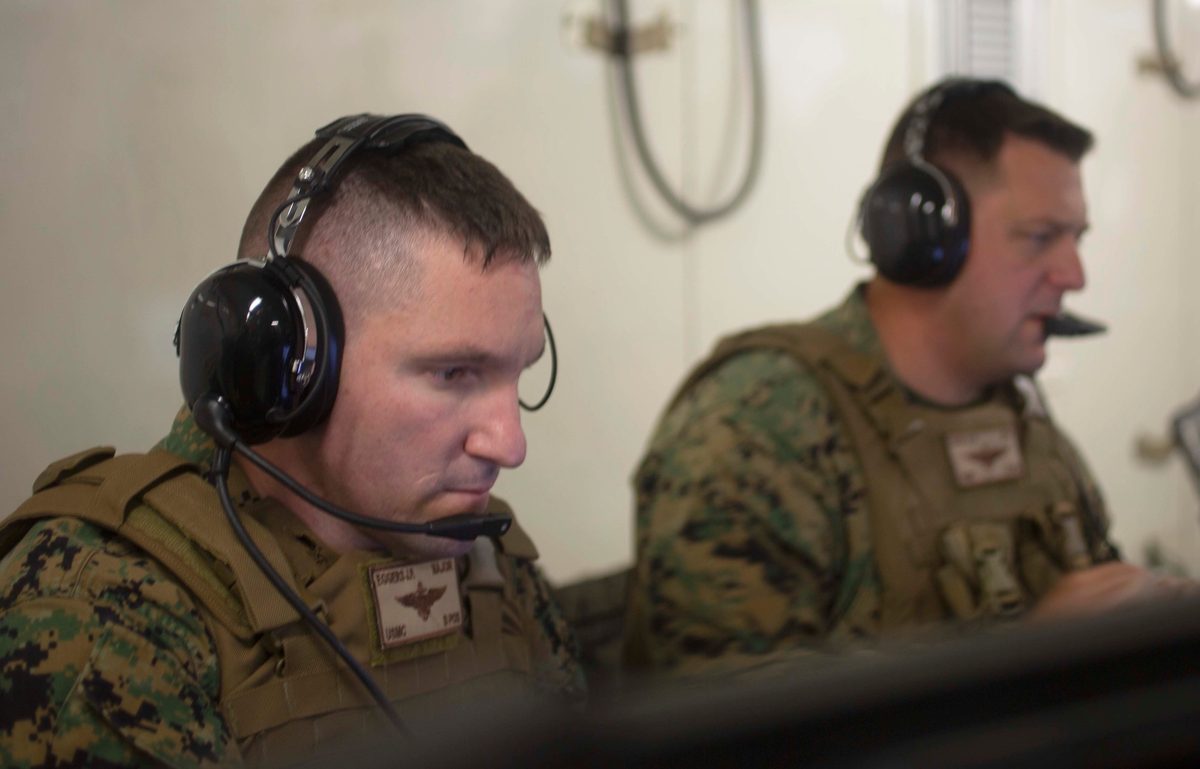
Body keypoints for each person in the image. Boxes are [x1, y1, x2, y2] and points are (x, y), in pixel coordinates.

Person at [0, 114, 584, 768]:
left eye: (518, 372)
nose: (510, 444)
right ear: (292, 363)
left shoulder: (488, 564)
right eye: (453, 373)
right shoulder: (105, 603)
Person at [623, 78, 1196, 677]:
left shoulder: (1019, 417)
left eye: (1076, 238)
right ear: (922, 238)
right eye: (1040, 237)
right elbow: (733, 735)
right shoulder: (753, 427)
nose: (1074, 275)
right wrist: (1026, 661)